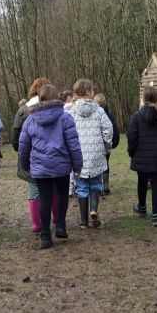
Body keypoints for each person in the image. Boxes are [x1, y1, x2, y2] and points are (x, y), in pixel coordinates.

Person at [19, 85, 83, 248]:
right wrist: (78, 166)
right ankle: (60, 225)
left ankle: (46, 235)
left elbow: (23, 146)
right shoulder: (65, 118)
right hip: (61, 164)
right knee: (62, 195)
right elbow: (74, 145)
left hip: (40, 166)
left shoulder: (30, 119)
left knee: (45, 199)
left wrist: (25, 165)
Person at [11, 78, 58, 233]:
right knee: (54, 186)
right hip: (53, 155)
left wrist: (20, 151)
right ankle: (56, 217)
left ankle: (37, 223)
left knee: (34, 187)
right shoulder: (57, 109)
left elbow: (16, 133)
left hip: (33, 155)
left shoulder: (24, 110)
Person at [127, 86, 157, 226]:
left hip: (141, 155)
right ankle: (155, 215)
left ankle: (142, 207)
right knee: (156, 183)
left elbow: (132, 136)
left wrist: (131, 152)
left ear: (144, 98)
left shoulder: (137, 116)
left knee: (142, 181)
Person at [70, 79, 113, 228]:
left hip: (79, 154)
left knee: (81, 186)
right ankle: (93, 210)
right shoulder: (99, 110)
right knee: (95, 183)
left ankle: (83, 221)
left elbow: (68, 133)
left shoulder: (71, 112)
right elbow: (108, 130)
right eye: (92, 90)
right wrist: (106, 148)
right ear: (88, 92)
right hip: (96, 153)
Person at [94, 93, 119, 194]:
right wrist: (113, 142)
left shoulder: (95, 114)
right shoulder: (109, 114)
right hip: (108, 142)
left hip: (97, 143)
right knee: (106, 163)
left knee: (98, 165)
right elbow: (114, 129)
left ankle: (99, 187)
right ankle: (106, 185)